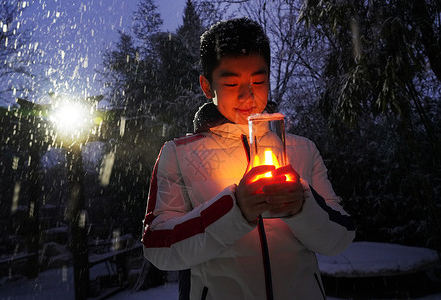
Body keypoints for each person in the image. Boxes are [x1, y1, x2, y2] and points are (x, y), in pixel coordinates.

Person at [142, 17, 355, 300]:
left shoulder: (302, 150)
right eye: (231, 83)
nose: (248, 94)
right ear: (207, 86)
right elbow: (159, 247)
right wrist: (234, 209)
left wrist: (303, 205)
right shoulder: (179, 154)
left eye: (258, 80)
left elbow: (339, 238)